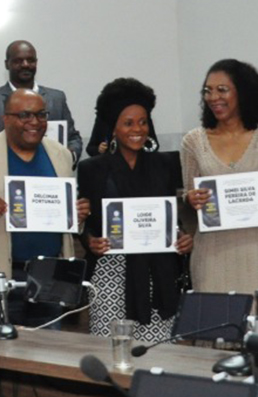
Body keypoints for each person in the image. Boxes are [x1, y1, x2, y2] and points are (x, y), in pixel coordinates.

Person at [183, 60, 258, 340]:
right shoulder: (193, 141)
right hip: (213, 252)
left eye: (222, 89)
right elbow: (190, 191)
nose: (213, 97)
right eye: (208, 91)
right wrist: (191, 198)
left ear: (243, 91)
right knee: (217, 328)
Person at [0, 89, 86, 328]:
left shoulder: (61, 154)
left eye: (41, 115)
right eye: (24, 115)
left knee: (50, 347)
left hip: (50, 275)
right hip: (0, 273)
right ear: (6, 118)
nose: (34, 122)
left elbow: (66, 213)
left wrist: (77, 215)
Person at [77, 80, 193, 344]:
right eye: (128, 123)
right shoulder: (92, 169)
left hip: (159, 275)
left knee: (158, 354)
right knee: (111, 351)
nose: (137, 129)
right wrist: (90, 241)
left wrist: (183, 237)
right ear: (113, 128)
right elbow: (86, 223)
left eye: (143, 122)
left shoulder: (165, 164)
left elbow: (171, 219)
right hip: (111, 273)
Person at [0, 41, 83, 162]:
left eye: (30, 60)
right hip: (2, 171)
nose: (25, 65)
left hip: (49, 171)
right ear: (7, 64)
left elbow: (73, 138)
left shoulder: (57, 99)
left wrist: (69, 158)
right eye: (18, 61)